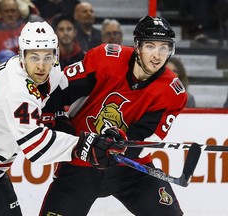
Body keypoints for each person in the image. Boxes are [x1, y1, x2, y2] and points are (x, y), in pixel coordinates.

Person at [0, 21, 126, 215]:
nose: (41, 65)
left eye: (47, 57)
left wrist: (60, 117)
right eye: (34, 57)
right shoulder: (17, 90)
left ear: (55, 55)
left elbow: (60, 96)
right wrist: (83, 146)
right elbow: (35, 146)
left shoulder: (53, 72)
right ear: (22, 56)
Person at [40, 16, 187, 216]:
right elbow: (59, 90)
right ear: (137, 46)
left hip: (130, 170)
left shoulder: (172, 91)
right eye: (150, 46)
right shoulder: (105, 58)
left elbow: (143, 138)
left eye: (164, 48)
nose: (157, 55)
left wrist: (120, 146)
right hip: (81, 161)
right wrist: (56, 121)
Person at [0, 0, 25, 65]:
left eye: (13, 11)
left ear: (18, 13)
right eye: (6, 11)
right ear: (1, 13)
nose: (10, 14)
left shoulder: (27, 30)